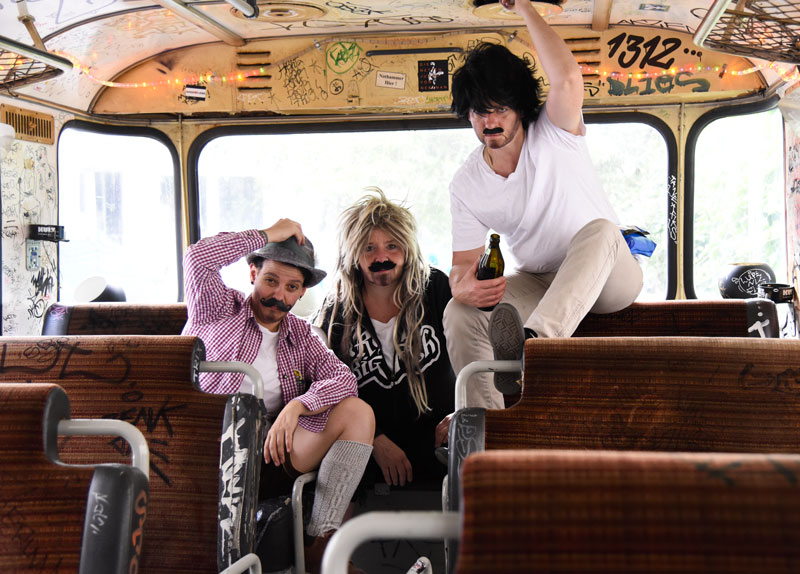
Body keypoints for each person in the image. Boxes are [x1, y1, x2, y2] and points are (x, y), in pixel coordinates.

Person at [445, 0, 643, 408]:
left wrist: (524, 8)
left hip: (608, 276)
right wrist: (463, 287)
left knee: (602, 230)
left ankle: (533, 348)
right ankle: (487, 429)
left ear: (520, 107)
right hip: (540, 281)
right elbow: (462, 266)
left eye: (500, 109)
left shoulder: (554, 131)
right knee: (457, 313)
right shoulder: (466, 184)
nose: (490, 122)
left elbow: (568, 77)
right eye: (479, 112)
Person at [182, 219, 374, 574]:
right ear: (252, 273)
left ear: (301, 293)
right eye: (271, 280)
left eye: (291, 287)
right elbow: (198, 257)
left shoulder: (301, 335)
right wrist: (268, 234)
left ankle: (320, 541)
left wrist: (297, 407)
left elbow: (343, 380)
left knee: (358, 413)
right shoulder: (217, 308)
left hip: (268, 452)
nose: (279, 296)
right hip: (204, 447)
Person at [315, 188, 455, 488]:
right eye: (369, 248)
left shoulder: (436, 289)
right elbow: (324, 387)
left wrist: (463, 412)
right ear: (353, 255)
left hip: (440, 441)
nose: (381, 257)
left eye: (392, 246)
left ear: (407, 247)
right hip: (366, 449)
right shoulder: (337, 309)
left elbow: (475, 353)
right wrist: (374, 439)